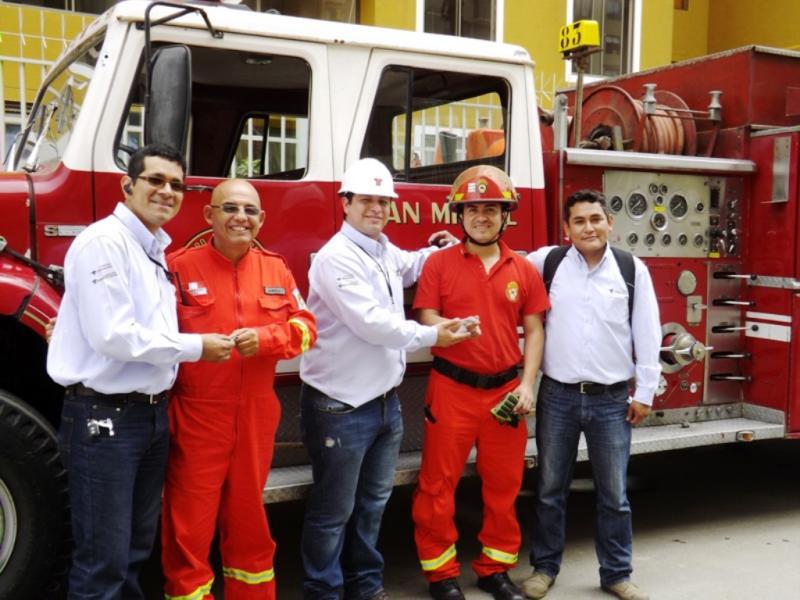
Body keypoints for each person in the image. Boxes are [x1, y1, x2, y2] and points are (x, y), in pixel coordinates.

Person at [46, 144, 234, 599]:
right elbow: (115, 335)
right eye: (155, 180)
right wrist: (197, 348)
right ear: (127, 185)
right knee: (102, 563)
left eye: (176, 185)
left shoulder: (150, 248)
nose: (167, 191)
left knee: (132, 553)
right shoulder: (103, 243)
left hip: (148, 418)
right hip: (105, 421)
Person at [299, 157, 472, 600]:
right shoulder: (336, 258)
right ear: (346, 203)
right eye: (367, 201)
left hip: (382, 403)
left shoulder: (381, 249)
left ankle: (366, 586)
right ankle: (324, 591)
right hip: (340, 405)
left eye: (383, 201)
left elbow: (410, 266)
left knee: (373, 504)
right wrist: (433, 335)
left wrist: (443, 249)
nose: (376, 208)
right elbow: (373, 324)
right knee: (333, 511)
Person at [160, 179, 317, 599]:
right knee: (187, 528)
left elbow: (306, 329)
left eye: (249, 211)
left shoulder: (277, 269)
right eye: (229, 208)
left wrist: (267, 339)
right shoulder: (176, 267)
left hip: (255, 415)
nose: (240, 218)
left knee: (249, 522)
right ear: (209, 215)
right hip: (196, 415)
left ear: (261, 220)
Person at [411, 166, 549, 600]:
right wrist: (446, 327)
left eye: (491, 208)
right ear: (460, 215)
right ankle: (441, 574)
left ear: (506, 215)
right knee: (437, 485)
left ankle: (495, 569)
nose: (481, 216)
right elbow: (426, 315)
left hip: (505, 394)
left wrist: (528, 385)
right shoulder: (438, 263)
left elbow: (536, 329)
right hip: (450, 391)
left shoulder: (523, 269)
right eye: (472, 209)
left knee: (504, 485)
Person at [521, 189, 661, 600]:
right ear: (567, 229)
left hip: (612, 400)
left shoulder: (631, 269)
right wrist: (444, 245)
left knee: (614, 494)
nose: (589, 227)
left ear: (609, 223)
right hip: (557, 396)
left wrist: (646, 392)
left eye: (595, 219)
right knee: (549, 490)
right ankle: (543, 570)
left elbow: (648, 332)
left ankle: (616, 573)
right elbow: (498, 261)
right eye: (579, 221)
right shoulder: (546, 263)